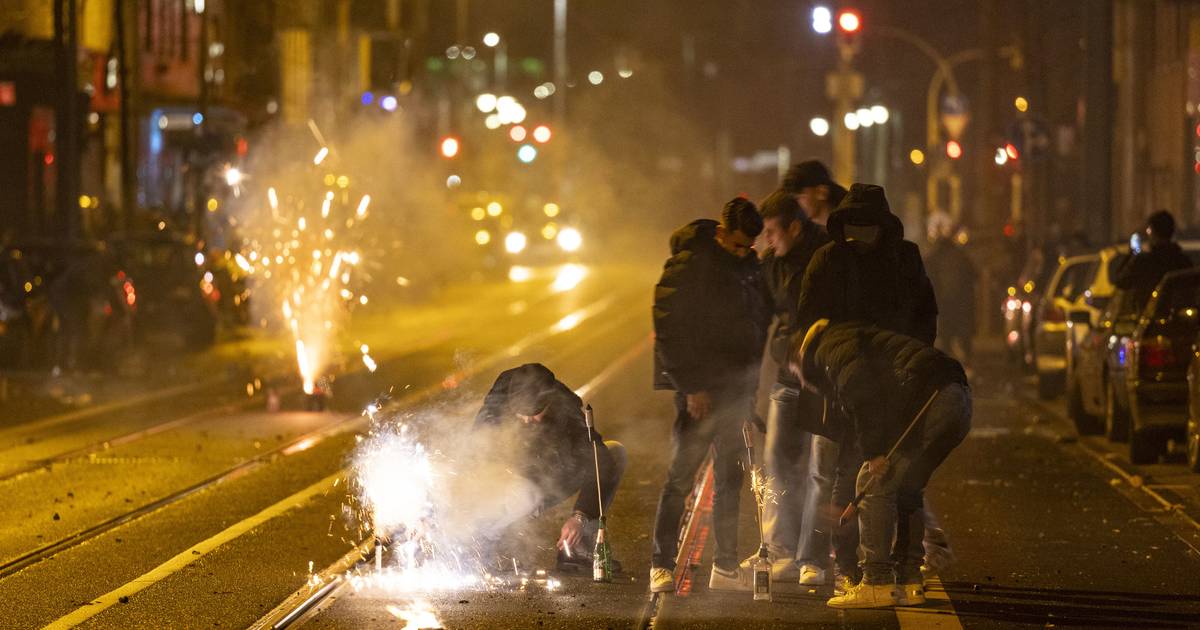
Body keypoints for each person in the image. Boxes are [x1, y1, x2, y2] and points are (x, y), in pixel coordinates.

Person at [793, 183, 940, 594]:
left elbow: (925, 314)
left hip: (892, 379)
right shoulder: (830, 259)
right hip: (848, 383)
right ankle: (852, 566)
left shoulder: (903, 258)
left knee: (902, 475)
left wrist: (911, 361)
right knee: (850, 473)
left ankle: (902, 566)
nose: (859, 237)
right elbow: (809, 320)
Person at [790, 319, 971, 609]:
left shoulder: (830, 350)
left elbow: (862, 394)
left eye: (796, 372)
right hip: (958, 399)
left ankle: (877, 582)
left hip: (931, 399)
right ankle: (909, 582)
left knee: (871, 481)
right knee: (909, 487)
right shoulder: (848, 337)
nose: (802, 381)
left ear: (800, 353)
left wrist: (874, 453)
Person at [649, 197, 769, 593]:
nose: (742, 252)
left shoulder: (749, 266)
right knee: (681, 476)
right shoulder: (690, 264)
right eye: (736, 244)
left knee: (730, 477)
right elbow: (669, 328)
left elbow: (755, 326)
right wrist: (691, 386)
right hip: (700, 389)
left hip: (735, 388)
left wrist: (748, 392)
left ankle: (726, 567)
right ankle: (661, 564)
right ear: (720, 232)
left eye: (748, 247)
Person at [739, 189, 830, 583]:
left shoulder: (827, 255)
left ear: (795, 227)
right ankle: (778, 548)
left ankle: (812, 556)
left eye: (773, 232)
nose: (767, 240)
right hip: (787, 377)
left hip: (824, 378)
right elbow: (758, 322)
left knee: (819, 468)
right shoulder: (772, 266)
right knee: (776, 460)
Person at [473, 363, 627, 570]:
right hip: (511, 488)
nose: (527, 420)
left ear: (550, 402)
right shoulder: (494, 410)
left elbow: (599, 456)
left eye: (535, 413)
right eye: (521, 414)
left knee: (615, 452)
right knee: (523, 493)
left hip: (549, 477)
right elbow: (473, 460)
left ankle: (575, 547)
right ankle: (482, 544)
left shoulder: (566, 407)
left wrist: (580, 516)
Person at [1114, 210, 1192, 312]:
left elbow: (1120, 281)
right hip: (1178, 318)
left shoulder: (1144, 262)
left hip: (1150, 318)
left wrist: (1131, 254)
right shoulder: (1184, 261)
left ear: (1153, 232)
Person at [924, 226, 977, 364]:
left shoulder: (934, 257)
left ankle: (947, 359)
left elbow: (927, 276)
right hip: (962, 302)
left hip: (944, 301)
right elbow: (974, 275)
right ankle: (967, 358)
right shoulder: (961, 256)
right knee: (964, 332)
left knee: (946, 332)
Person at [782, 160, 844, 228]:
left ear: (821, 192)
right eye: (795, 198)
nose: (798, 203)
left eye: (801, 195)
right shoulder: (806, 230)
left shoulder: (848, 226)